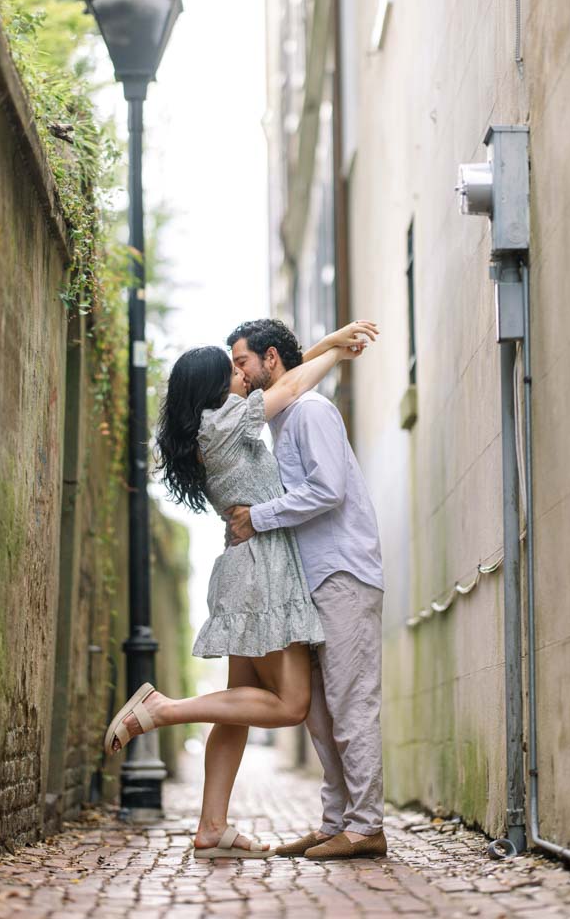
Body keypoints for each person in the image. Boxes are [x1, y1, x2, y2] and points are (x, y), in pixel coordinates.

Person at [102, 319, 377, 860]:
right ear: (213, 388)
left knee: (236, 708)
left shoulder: (206, 429)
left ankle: (212, 825)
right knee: (291, 704)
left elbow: (283, 377)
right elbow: (292, 385)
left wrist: (331, 343)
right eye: (231, 369)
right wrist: (338, 353)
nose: (241, 375)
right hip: (264, 572)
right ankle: (163, 708)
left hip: (242, 570)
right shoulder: (226, 421)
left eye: (242, 363)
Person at [221, 318, 389, 862]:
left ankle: (365, 827)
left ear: (270, 358)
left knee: (349, 701)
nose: (239, 373)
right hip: (310, 580)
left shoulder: (312, 412)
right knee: (318, 711)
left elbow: (328, 489)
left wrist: (257, 518)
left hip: (342, 572)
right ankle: (335, 821)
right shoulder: (282, 416)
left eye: (242, 361)